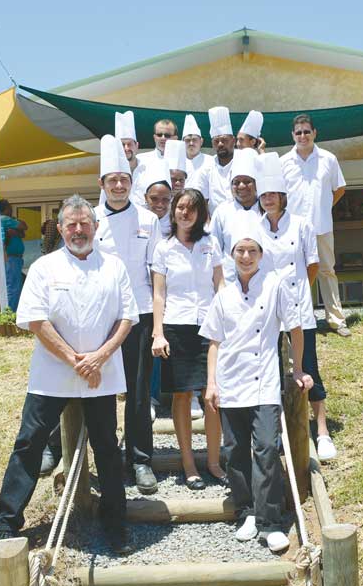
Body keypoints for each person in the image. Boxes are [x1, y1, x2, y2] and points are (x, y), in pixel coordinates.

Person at [0, 194, 136, 555]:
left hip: (101, 372)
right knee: (30, 442)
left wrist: (98, 357)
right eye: (71, 224)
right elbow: (35, 320)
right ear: (60, 228)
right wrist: (76, 360)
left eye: (84, 223)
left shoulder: (114, 266)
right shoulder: (44, 267)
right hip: (53, 372)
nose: (78, 230)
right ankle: (6, 521)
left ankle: (115, 525)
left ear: (96, 226)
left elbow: (127, 318)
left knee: (107, 447)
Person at [200, 227, 313, 553]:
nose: (246, 256)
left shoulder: (275, 285)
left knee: (265, 447)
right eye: (240, 250)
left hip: (264, 382)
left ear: (262, 255)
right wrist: (211, 382)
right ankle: (247, 511)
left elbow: (294, 328)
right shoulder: (224, 295)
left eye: (252, 250)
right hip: (230, 382)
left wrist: (298, 368)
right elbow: (214, 342)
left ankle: (270, 522)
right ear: (232, 255)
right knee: (235, 452)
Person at [256, 152, 338, 461]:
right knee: (273, 371)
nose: (268, 200)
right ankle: (278, 431)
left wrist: (299, 294)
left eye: (273, 195)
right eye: (264, 195)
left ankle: (322, 431)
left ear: (283, 197)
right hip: (268, 309)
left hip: (299, 306)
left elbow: (312, 265)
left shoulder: (302, 224)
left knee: (308, 366)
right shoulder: (256, 227)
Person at [93, 134, 162, 495]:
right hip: (100, 317)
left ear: (131, 182)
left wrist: (158, 325)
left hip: (140, 314)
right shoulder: (90, 220)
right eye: (112, 180)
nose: (119, 186)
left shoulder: (149, 219)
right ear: (101, 183)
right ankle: (107, 458)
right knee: (101, 389)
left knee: (137, 392)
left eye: (124, 180)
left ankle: (140, 460)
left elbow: (156, 273)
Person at [151, 189, 225, 490]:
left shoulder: (211, 244)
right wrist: (158, 332)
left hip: (209, 325)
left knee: (212, 396)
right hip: (176, 326)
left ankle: (214, 461)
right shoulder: (163, 248)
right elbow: (159, 294)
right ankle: (189, 464)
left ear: (200, 214)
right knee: (181, 396)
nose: (185, 213)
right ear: (173, 211)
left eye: (191, 208)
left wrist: (227, 323)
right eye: (180, 207)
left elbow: (220, 284)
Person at [281, 114, 351, 336]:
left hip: (322, 226)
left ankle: (336, 320)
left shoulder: (328, 159)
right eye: (298, 132)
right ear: (293, 135)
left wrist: (324, 207)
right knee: (295, 273)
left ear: (314, 133)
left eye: (306, 131)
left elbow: (339, 189)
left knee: (327, 271)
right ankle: (300, 319)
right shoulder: (284, 162)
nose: (303, 136)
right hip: (293, 230)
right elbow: (279, 196)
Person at [210, 149, 264, 283]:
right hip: (229, 282)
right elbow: (213, 249)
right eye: (236, 182)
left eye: (247, 181)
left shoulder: (266, 210)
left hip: (263, 280)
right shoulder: (222, 211)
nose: (241, 186)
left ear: (257, 183)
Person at [190, 106, 236, 213]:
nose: (220, 144)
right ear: (212, 144)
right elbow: (202, 201)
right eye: (216, 141)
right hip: (215, 220)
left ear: (233, 141)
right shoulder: (206, 167)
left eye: (224, 140)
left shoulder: (242, 162)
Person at [0, 199, 27, 311]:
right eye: (10, 208)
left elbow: (22, 233)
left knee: (14, 286)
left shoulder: (7, 220)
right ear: (5, 209)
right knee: (13, 288)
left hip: (13, 258)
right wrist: (17, 228)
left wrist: (17, 232)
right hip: (11, 258)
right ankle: (10, 314)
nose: (11, 211)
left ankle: (11, 312)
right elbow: (24, 226)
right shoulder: (5, 219)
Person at [181, 114, 209, 185]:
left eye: (194, 140)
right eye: (187, 140)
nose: (191, 143)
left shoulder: (211, 161)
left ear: (201, 141)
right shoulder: (178, 161)